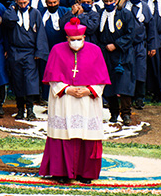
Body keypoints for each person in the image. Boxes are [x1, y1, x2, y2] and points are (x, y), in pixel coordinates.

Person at [40, 17, 110, 183]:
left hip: (87, 100)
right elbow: (52, 78)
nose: (76, 43)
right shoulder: (57, 50)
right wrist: (68, 89)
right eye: (73, 40)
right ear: (67, 39)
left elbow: (102, 79)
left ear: (84, 38)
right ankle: (62, 173)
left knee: (87, 136)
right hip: (65, 99)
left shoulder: (95, 51)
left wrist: (88, 90)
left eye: (79, 40)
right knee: (63, 136)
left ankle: (86, 174)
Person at [2, 0, 50, 120]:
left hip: (29, 52)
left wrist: (39, 51)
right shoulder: (12, 12)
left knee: (30, 81)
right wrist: (13, 8)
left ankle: (30, 110)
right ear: (16, 1)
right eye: (20, 3)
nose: (23, 5)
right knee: (17, 81)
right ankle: (20, 109)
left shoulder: (35, 13)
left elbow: (40, 32)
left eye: (25, 2)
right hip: (15, 51)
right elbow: (7, 24)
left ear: (29, 0)